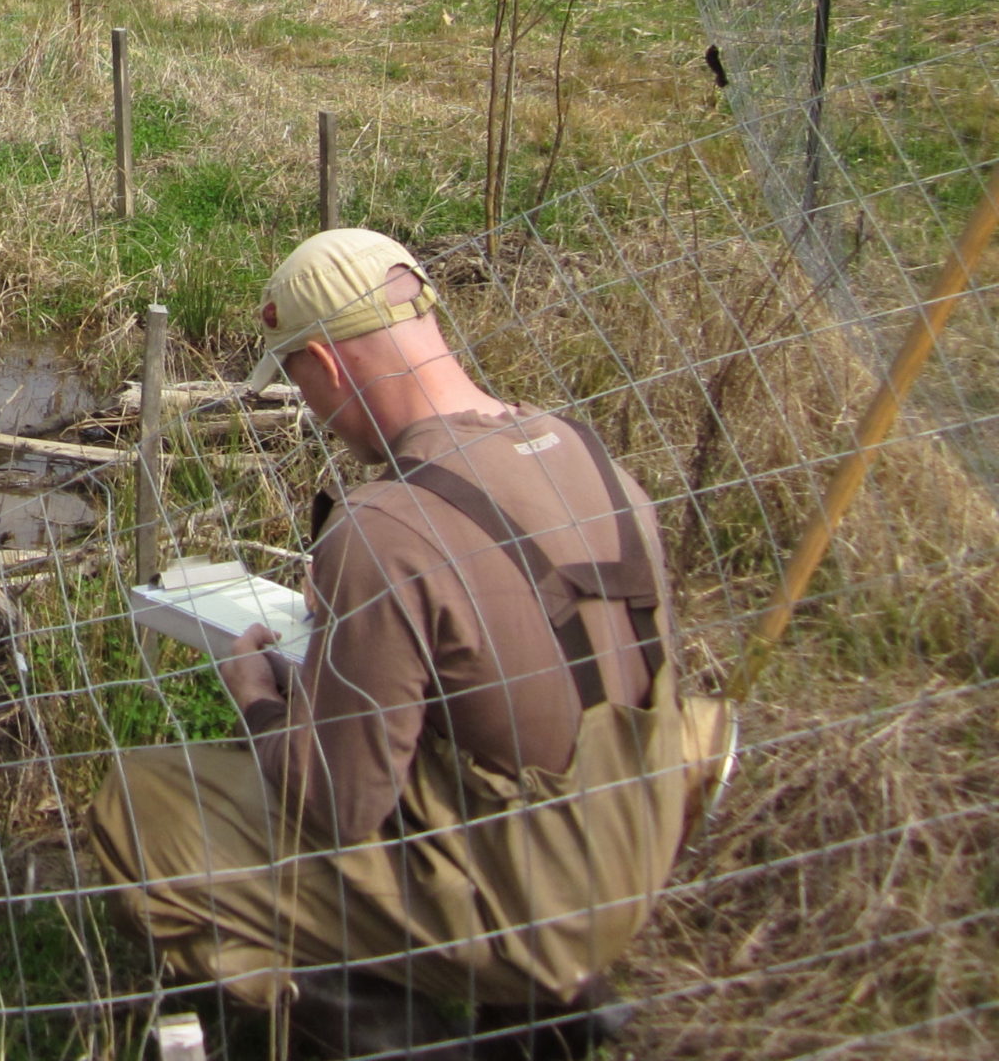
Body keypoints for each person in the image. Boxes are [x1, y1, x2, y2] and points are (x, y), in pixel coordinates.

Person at [88, 229, 734, 1059]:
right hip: (633, 849)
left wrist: (254, 692)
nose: (312, 408)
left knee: (146, 808)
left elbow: (338, 806)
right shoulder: (587, 453)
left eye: (297, 379)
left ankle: (392, 1032)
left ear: (322, 364)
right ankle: (547, 1010)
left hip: (534, 903)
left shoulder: (384, 526)